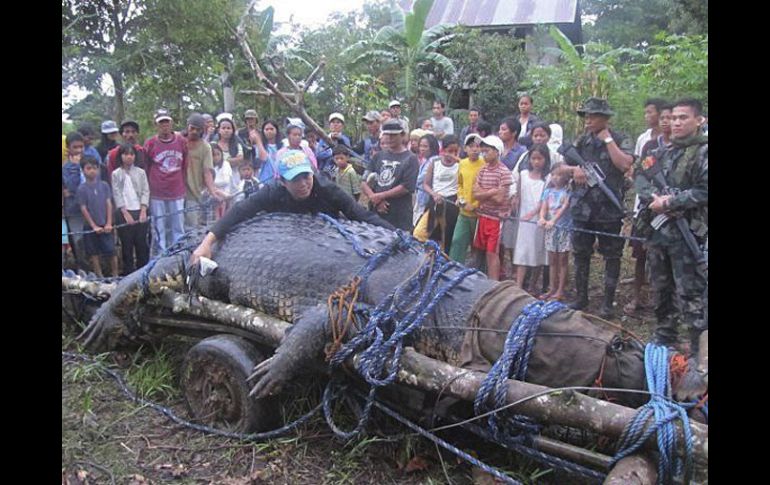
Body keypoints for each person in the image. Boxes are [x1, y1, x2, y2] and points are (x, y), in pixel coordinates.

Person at [190, 149, 395, 265]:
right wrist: (207, 242)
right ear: (283, 181)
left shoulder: (327, 188)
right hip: (281, 250)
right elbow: (239, 211)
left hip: (325, 249)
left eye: (306, 176)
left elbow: (360, 214)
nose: (304, 183)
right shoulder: (272, 191)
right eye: (295, 179)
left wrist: (399, 234)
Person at [633, 98, 707, 353]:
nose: (676, 122)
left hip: (689, 236)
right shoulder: (660, 152)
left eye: (683, 118)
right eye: (674, 117)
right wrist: (652, 198)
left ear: (699, 120)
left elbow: (704, 190)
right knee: (662, 289)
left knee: (691, 295)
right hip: (659, 234)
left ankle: (698, 347)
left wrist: (672, 201)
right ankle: (665, 336)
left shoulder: (703, 152)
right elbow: (640, 174)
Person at [566, 98, 634, 318]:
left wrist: (607, 141)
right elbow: (560, 165)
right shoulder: (581, 141)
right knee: (581, 254)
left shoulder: (620, 138)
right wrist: (573, 170)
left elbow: (625, 164)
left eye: (593, 116)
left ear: (605, 118)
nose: (588, 120)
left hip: (609, 209)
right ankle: (581, 298)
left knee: (612, 255)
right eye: (586, 116)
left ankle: (607, 303)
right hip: (582, 208)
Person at [625, 103, 673, 313]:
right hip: (648, 210)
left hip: (674, 212)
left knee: (669, 259)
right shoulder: (650, 147)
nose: (665, 121)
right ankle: (637, 297)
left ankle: (664, 303)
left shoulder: (686, 150)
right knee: (641, 254)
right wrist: (652, 197)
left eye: (670, 117)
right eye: (662, 117)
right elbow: (640, 174)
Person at [360, 119, 420, 232]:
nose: (389, 138)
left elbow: (406, 187)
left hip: (399, 214)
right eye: (387, 134)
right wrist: (374, 198)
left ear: (402, 135)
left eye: (393, 135)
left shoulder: (410, 158)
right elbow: (364, 181)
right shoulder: (378, 156)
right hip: (376, 211)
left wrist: (380, 196)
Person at [144, 108, 188, 255]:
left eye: (166, 122)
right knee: (159, 227)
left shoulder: (181, 141)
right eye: (161, 123)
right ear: (156, 125)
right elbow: (146, 165)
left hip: (177, 189)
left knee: (178, 226)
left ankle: (179, 253)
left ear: (171, 123)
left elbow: (185, 164)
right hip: (158, 192)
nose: (164, 126)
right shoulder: (150, 143)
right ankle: (161, 255)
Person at [472, 135, 512, 281]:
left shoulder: (504, 172)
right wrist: (492, 191)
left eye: (487, 151)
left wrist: (485, 193)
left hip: (496, 218)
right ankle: (482, 279)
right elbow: (475, 194)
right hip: (482, 216)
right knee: (479, 250)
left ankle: (493, 283)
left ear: (497, 151)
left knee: (492, 252)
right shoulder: (482, 170)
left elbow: (500, 199)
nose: (483, 154)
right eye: (483, 151)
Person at [512, 144, 550, 290]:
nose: (536, 162)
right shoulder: (523, 175)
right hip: (523, 218)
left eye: (539, 158)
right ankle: (518, 285)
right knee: (522, 251)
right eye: (533, 158)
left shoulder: (547, 178)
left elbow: (544, 199)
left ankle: (532, 285)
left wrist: (534, 213)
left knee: (537, 251)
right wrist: (515, 203)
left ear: (545, 159)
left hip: (538, 218)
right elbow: (519, 194)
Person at [414, 135, 461, 254]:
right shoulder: (435, 163)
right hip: (434, 201)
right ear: (443, 150)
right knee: (421, 232)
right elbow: (426, 184)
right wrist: (433, 194)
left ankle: (445, 260)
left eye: (455, 151)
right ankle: (427, 257)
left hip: (451, 203)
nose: (452, 155)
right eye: (449, 151)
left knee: (447, 235)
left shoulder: (460, 165)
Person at [111, 143, 150, 275]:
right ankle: (128, 273)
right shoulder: (116, 174)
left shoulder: (141, 172)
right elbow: (117, 193)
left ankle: (144, 272)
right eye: (126, 154)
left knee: (141, 244)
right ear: (120, 156)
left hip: (140, 211)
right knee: (126, 246)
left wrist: (143, 210)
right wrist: (125, 213)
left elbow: (146, 191)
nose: (129, 157)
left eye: (131, 154)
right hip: (124, 213)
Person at [77, 156, 118, 277]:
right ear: (83, 170)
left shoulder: (104, 185)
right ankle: (99, 277)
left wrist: (109, 222)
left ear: (99, 169)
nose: (92, 171)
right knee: (93, 253)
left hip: (106, 224)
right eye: (88, 168)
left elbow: (108, 203)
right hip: (90, 226)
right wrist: (93, 225)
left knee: (112, 251)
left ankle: (115, 275)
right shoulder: (81, 189)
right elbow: (83, 208)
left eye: (94, 168)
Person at [449, 134, 484, 265]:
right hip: (464, 212)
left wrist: (475, 205)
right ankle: (453, 268)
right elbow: (460, 184)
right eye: (471, 147)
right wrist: (460, 198)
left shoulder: (485, 164)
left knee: (478, 246)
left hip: (479, 213)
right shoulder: (462, 164)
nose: (475, 149)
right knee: (458, 240)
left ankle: (479, 272)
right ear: (465, 148)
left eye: (477, 146)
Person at [538, 163, 572, 301]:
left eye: (559, 175)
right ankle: (552, 288)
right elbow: (544, 207)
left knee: (562, 259)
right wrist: (541, 218)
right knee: (552, 259)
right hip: (550, 229)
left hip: (563, 229)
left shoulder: (567, 192)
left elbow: (564, 207)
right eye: (553, 175)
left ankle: (560, 290)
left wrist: (554, 221)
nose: (556, 178)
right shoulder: (548, 192)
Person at [184, 114, 220, 229]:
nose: (194, 132)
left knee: (191, 226)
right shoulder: (178, 140)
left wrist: (213, 192)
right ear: (187, 127)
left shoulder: (205, 147)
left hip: (193, 193)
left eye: (198, 129)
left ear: (202, 130)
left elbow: (207, 172)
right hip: (175, 192)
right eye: (192, 128)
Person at [63, 132, 89, 269]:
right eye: (75, 147)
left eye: (81, 147)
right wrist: (74, 167)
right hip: (74, 210)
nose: (79, 150)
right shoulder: (66, 168)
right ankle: (81, 268)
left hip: (91, 208)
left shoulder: (89, 163)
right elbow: (72, 187)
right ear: (68, 148)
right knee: (78, 241)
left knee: (91, 240)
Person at [413, 134, 440, 226]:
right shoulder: (425, 160)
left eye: (425, 146)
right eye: (420, 146)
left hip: (428, 198)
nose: (422, 149)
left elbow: (420, 179)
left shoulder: (433, 160)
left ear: (432, 147)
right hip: (421, 197)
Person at [316, 113, 352, 177]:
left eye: (338, 122)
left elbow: (348, 154)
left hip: (342, 173)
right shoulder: (323, 139)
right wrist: (331, 152)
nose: (335, 124)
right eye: (333, 122)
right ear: (329, 125)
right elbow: (319, 155)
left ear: (342, 126)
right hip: (325, 172)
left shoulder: (346, 139)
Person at [212, 117, 245, 186]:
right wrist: (231, 160)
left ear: (233, 130)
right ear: (219, 130)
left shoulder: (237, 145)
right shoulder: (213, 145)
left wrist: (222, 160)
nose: (226, 130)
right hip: (216, 179)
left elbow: (240, 160)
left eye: (228, 128)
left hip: (234, 179)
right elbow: (212, 161)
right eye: (223, 128)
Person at [212, 142, 236, 220]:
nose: (216, 157)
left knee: (220, 197)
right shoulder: (208, 166)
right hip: (213, 192)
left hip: (226, 191)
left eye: (218, 154)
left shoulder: (226, 164)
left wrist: (212, 184)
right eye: (213, 155)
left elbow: (225, 181)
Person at [258, 119, 282, 184]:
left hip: (280, 181)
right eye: (267, 129)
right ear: (263, 131)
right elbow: (263, 158)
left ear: (276, 130)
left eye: (271, 129)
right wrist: (258, 141)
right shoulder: (260, 146)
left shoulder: (283, 146)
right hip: (264, 181)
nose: (269, 131)